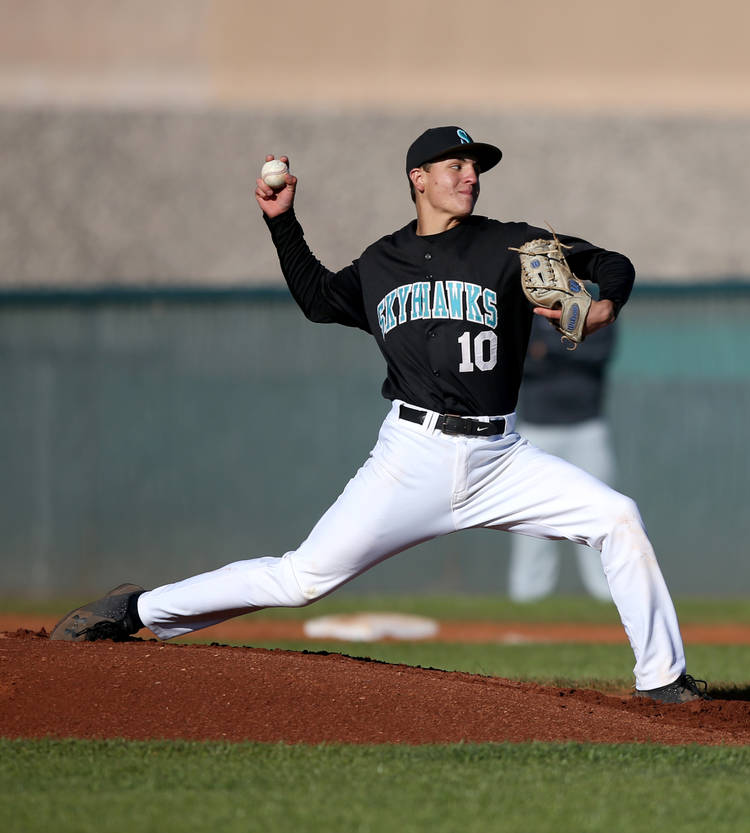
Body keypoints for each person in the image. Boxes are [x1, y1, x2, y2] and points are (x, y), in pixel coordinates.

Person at [50, 126, 707, 703]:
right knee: (302, 577)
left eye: (475, 166)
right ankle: (135, 608)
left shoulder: (515, 248)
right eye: (455, 164)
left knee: (618, 516)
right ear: (417, 179)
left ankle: (661, 679)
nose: (469, 175)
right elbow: (316, 299)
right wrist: (283, 221)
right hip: (411, 456)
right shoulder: (382, 263)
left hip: (500, 457)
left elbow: (611, 263)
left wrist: (600, 306)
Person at [509, 317, 617, 602]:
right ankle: (527, 595)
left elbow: (599, 354)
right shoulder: (528, 313)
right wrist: (572, 348)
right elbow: (519, 361)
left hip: (586, 427)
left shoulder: (595, 308)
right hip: (536, 428)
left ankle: (607, 595)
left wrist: (549, 350)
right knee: (531, 517)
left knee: (598, 513)